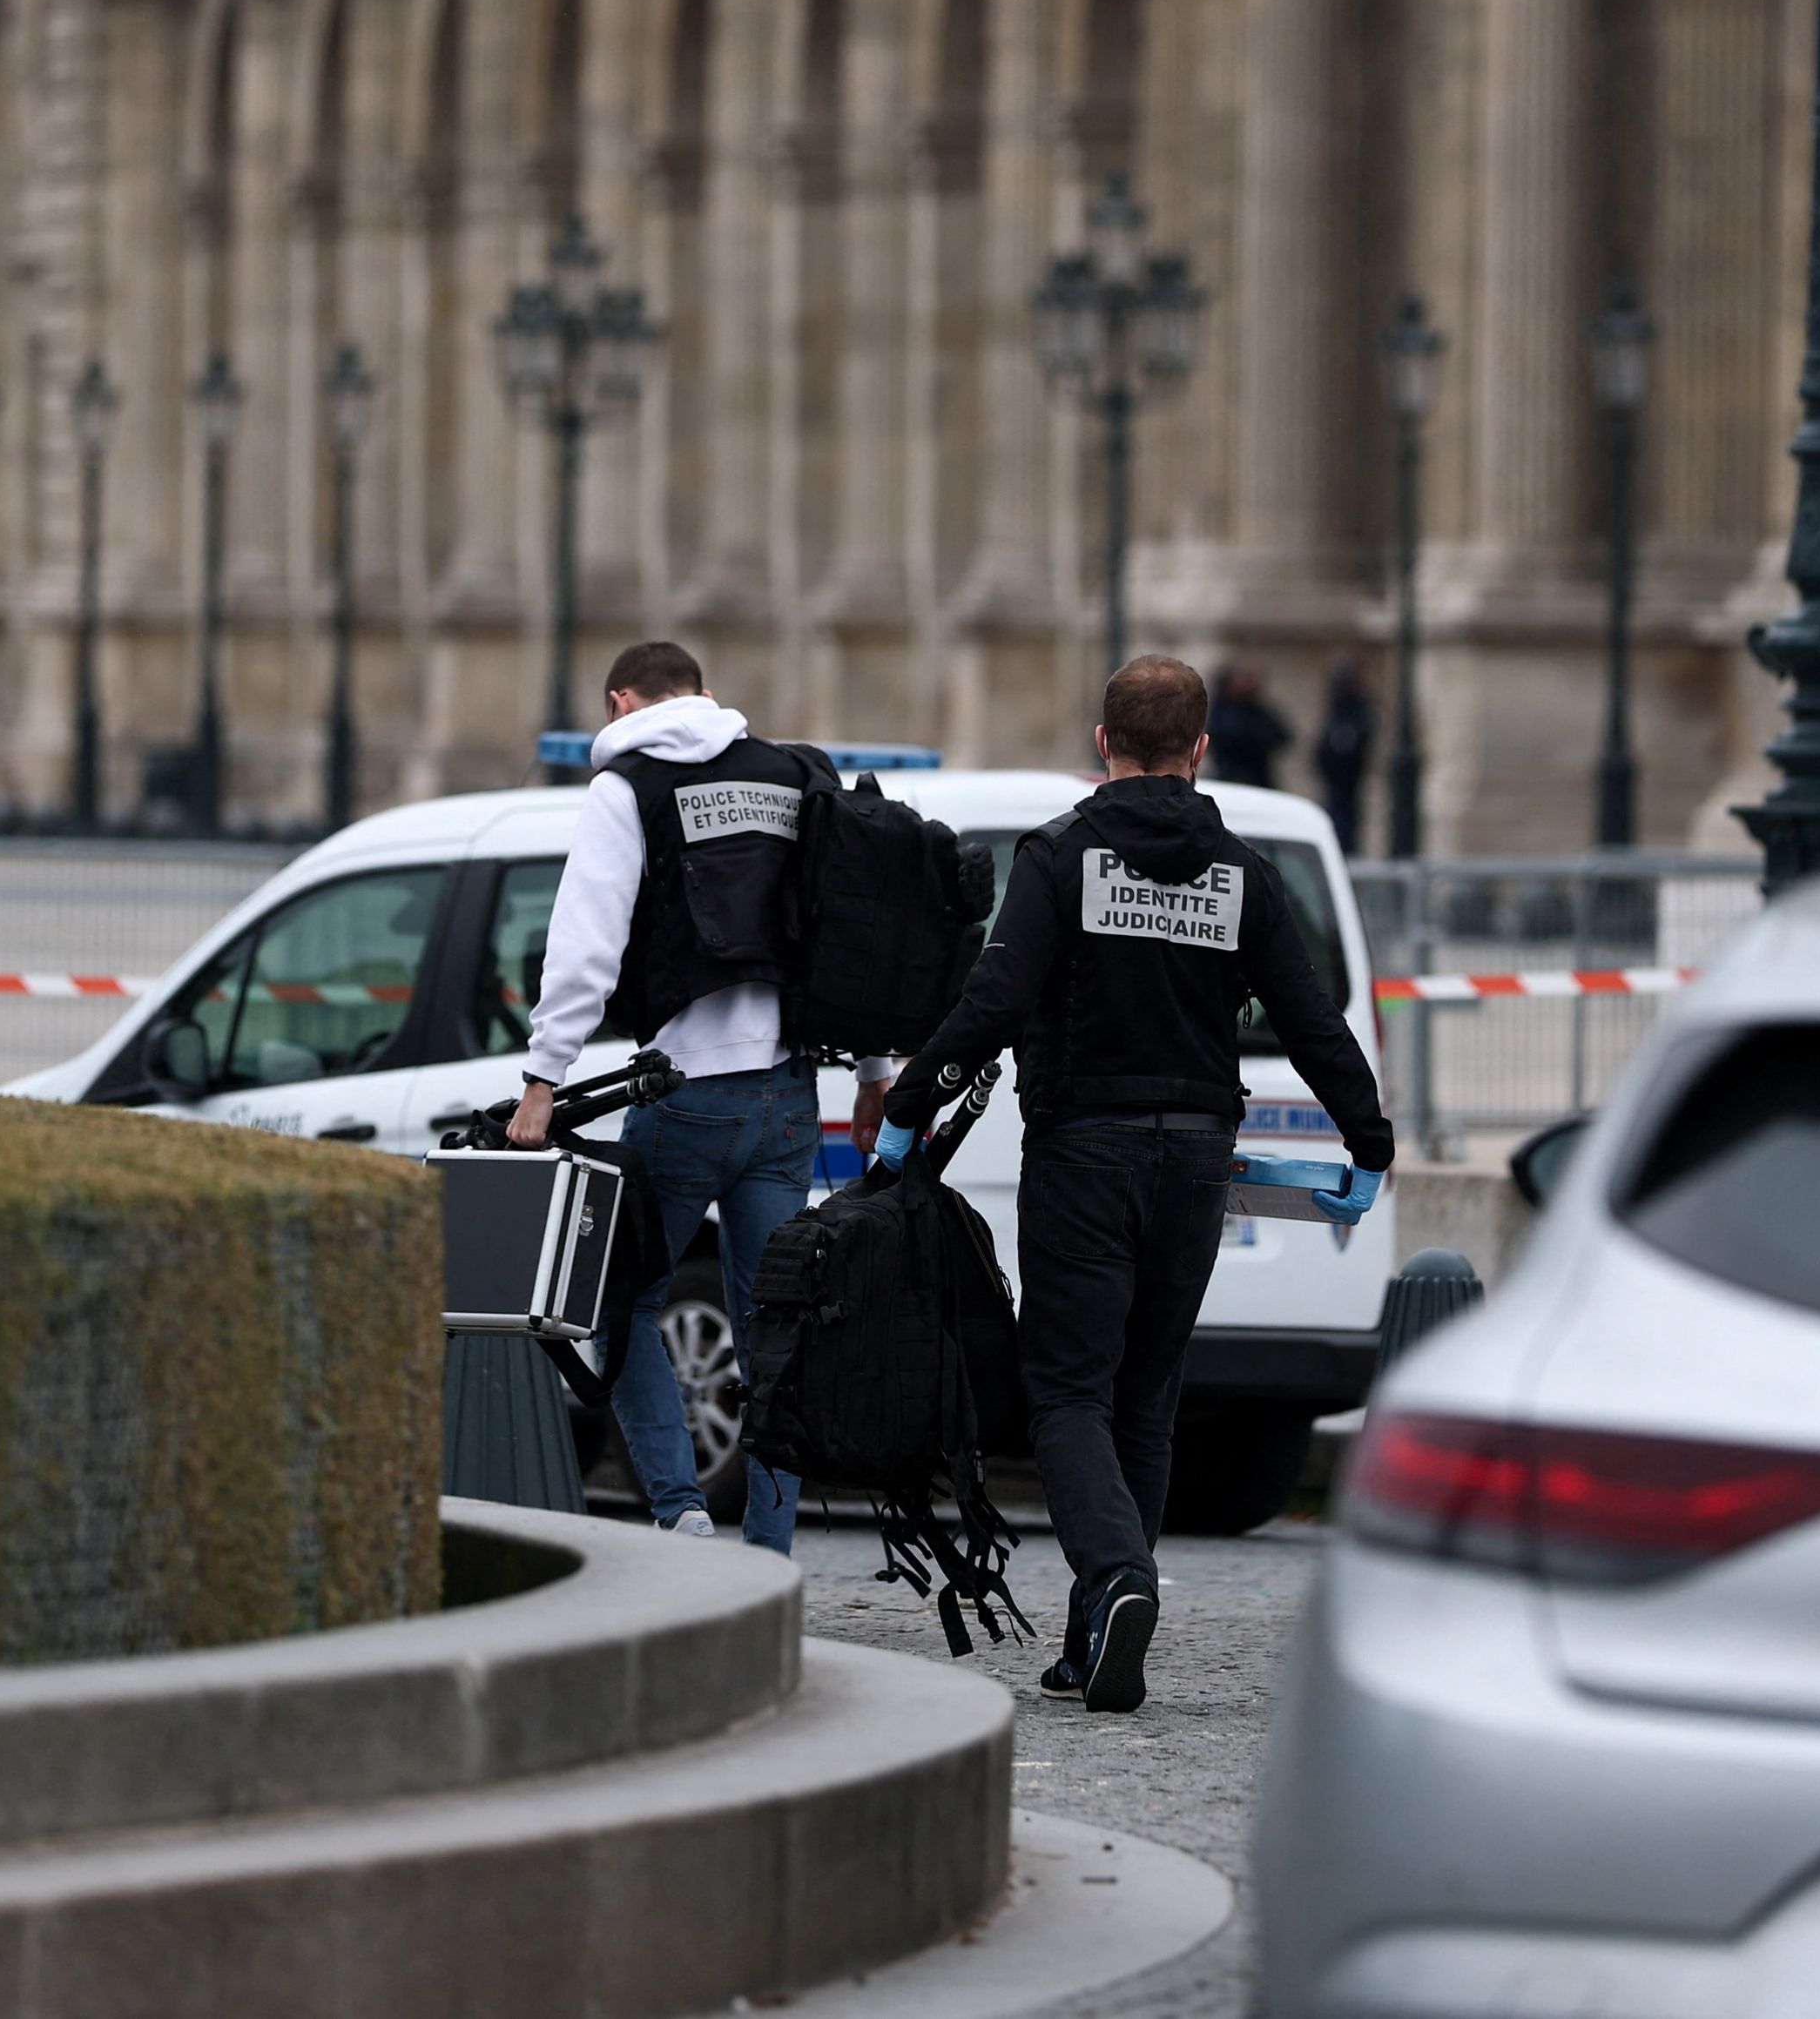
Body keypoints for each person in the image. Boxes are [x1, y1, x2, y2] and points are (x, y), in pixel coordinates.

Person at [872, 655, 1392, 1712]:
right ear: (1199, 750)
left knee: (1067, 1390)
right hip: (1197, 1160)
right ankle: (1097, 1637)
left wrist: (908, 1105)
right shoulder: (1242, 873)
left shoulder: (1061, 856)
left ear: (1103, 742)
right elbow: (1309, 1019)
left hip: (1084, 1152)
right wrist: (1368, 1139)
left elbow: (994, 1002)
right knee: (1146, 1396)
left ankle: (1117, 1580)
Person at [509, 640, 847, 1553]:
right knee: (772, 1328)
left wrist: (543, 1078)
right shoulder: (790, 774)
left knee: (620, 1304)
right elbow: (847, 927)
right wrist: (878, 1071)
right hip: (788, 1093)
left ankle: (681, 1513)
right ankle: (769, 1550)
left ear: (620, 703)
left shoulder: (627, 788)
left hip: (686, 1092)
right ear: (702, 693)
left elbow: (584, 944)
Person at [1315, 658, 1374, 856]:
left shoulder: (1354, 713)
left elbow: (1345, 749)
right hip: (1336, 782)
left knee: (1343, 825)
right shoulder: (1341, 713)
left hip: (1345, 781)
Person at [1203, 663, 1292, 788]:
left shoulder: (1258, 710)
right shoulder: (1220, 711)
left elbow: (1282, 735)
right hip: (1228, 774)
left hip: (1258, 775)